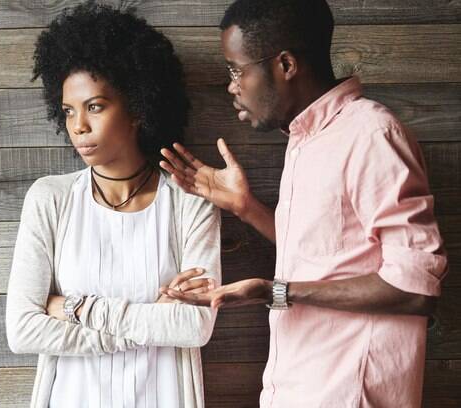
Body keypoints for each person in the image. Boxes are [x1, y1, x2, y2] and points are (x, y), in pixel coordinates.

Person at [160, 0, 448, 407]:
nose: (232, 86)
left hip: (348, 393)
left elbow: (414, 286)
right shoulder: (306, 142)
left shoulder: (370, 135)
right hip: (297, 386)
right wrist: (246, 207)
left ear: (286, 65)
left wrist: (276, 291)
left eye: (237, 70)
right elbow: (330, 255)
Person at [5, 3, 221, 408]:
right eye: (69, 111)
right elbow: (23, 331)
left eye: (95, 106)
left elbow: (195, 325)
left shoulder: (190, 202)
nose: (78, 126)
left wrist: (74, 307)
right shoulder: (50, 199)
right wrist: (150, 322)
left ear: (138, 107)